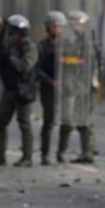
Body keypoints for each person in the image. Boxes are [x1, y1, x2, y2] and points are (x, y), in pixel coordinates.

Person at [0, 14, 38, 168]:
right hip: (9, 89)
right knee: (0, 123)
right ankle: (0, 156)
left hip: (23, 90)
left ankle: (27, 157)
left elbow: (24, 66)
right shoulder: (8, 46)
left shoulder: (29, 47)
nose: (11, 36)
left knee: (24, 124)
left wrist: (10, 57)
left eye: (14, 32)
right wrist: (1, 57)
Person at [57, 10, 95, 164]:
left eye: (80, 24)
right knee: (67, 120)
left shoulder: (88, 43)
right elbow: (64, 62)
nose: (78, 27)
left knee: (84, 121)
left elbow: (92, 65)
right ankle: (61, 152)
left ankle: (88, 152)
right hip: (70, 86)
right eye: (76, 24)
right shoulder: (68, 42)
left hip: (84, 87)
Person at [37, 11, 66, 165]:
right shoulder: (42, 46)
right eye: (54, 26)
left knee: (65, 121)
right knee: (49, 121)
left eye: (60, 27)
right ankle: (45, 154)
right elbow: (38, 68)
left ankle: (61, 153)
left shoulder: (66, 46)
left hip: (65, 90)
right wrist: (50, 81)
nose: (57, 30)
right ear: (48, 28)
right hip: (48, 88)